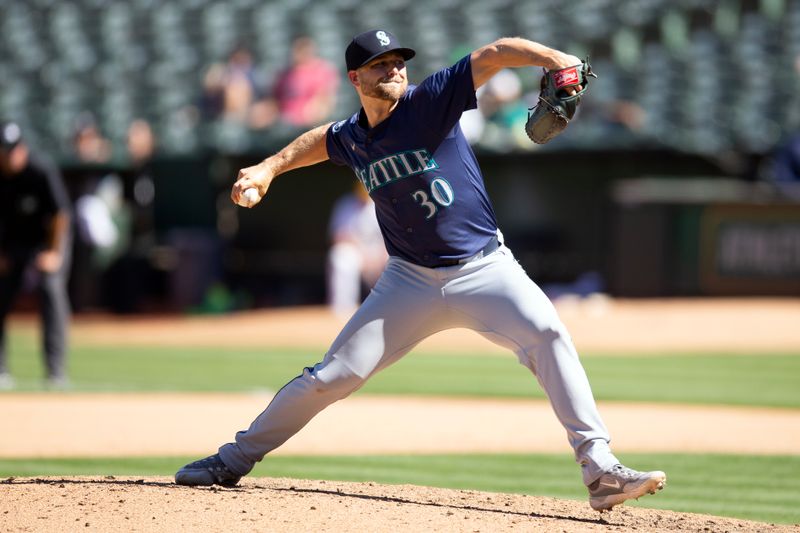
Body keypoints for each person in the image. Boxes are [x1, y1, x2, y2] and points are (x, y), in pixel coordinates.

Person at [175, 30, 666, 512]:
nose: (393, 70)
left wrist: (554, 58)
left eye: (398, 62)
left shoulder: (427, 102)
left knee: (549, 334)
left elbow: (495, 52)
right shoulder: (353, 136)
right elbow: (319, 140)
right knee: (331, 377)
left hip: (485, 268)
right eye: (379, 65)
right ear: (355, 78)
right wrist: (268, 169)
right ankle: (232, 459)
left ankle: (600, 469)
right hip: (408, 280)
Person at [0, 121, 72, 389]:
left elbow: (60, 215)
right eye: (4, 151)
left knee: (51, 289)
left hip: (48, 239)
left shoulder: (40, 170)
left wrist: (53, 253)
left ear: (23, 148)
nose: (9, 156)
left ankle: (55, 371)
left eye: (13, 149)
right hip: (15, 242)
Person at [326, 182, 387, 318]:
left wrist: (379, 256)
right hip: (357, 251)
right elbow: (338, 235)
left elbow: (394, 237)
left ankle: (394, 308)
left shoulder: (383, 203)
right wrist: (364, 255)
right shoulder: (346, 203)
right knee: (341, 256)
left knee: (397, 258)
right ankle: (343, 309)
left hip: (380, 253)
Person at [272, 36, 340, 127]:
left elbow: (326, 98)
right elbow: (275, 99)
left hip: (311, 117)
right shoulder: (284, 73)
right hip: (284, 118)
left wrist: (312, 113)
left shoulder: (322, 70)